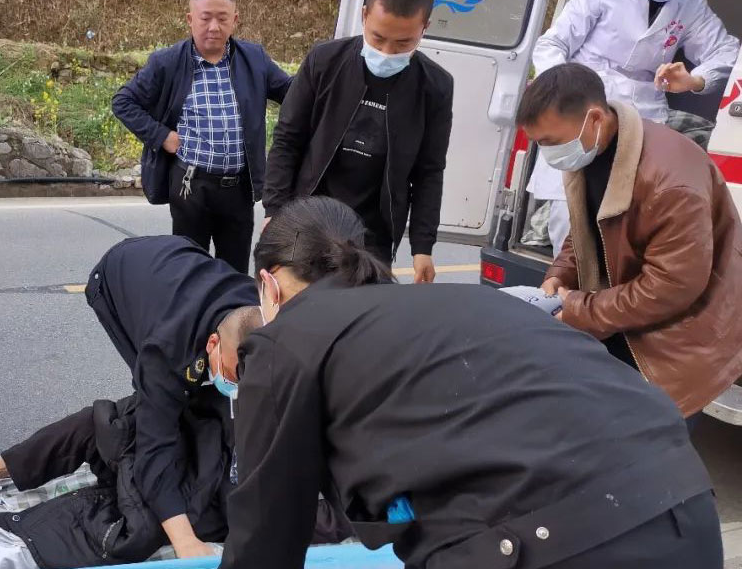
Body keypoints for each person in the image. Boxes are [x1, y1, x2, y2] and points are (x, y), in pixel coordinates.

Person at [218, 195, 722, 569]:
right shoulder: (467, 302)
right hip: (685, 507)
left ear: (269, 283)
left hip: (559, 542)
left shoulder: (285, 341)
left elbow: (265, 532)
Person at [0, 235, 349, 567]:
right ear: (214, 346)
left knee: (121, 526)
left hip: (204, 487)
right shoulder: (168, 348)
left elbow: (325, 510)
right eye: (235, 377)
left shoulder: (277, 360)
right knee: (116, 422)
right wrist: (185, 540)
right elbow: (158, 440)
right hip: (126, 281)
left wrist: (185, 529)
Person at [518, 63, 742, 430]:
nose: (547, 154)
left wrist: (582, 309)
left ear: (594, 118)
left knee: (650, 450)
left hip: (676, 344)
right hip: (626, 319)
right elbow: (587, 227)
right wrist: (562, 273)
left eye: (550, 142)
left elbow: (673, 286)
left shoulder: (671, 182)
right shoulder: (591, 147)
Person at [527, 0, 740, 255]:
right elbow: (552, 44)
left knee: (629, 212)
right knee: (571, 208)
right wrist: (564, 95)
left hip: (644, 113)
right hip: (584, 104)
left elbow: (726, 51)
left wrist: (695, 80)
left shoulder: (691, 2)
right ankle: (569, 278)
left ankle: (610, 282)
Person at [262, 0, 452, 280]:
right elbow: (288, 138)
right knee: (299, 303)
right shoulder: (324, 61)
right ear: (364, 15)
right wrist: (275, 210)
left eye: (403, 43)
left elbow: (429, 171)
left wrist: (422, 247)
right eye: (378, 38)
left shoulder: (435, 87)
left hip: (373, 234)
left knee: (363, 309)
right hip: (309, 219)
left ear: (424, 28)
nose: (387, 52)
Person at [112, 0, 292, 274]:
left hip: (239, 189)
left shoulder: (254, 59)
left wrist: (322, 74)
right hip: (191, 187)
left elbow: (292, 93)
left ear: (235, 20)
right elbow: (123, 102)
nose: (213, 27)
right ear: (190, 19)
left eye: (222, 18)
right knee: (189, 272)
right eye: (205, 18)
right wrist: (162, 136)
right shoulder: (167, 62)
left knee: (233, 275)